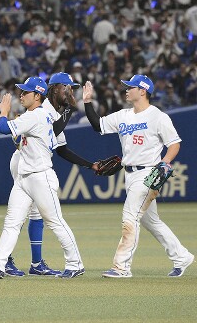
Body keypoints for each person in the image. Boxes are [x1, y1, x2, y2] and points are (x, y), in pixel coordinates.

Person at [0, 77, 85, 279]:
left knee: (55, 221)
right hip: (25, 177)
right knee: (12, 222)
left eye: (26, 92)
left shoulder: (37, 115)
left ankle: (75, 263)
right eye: (21, 92)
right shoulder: (35, 115)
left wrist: (4, 112)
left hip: (41, 176)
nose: (21, 95)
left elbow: (4, 128)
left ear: (38, 95)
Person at [83, 75, 194, 278]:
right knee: (152, 221)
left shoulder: (158, 116)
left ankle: (122, 267)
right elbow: (98, 125)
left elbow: (174, 143)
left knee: (130, 216)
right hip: (130, 174)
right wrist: (87, 101)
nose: (126, 90)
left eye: (130, 87)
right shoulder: (123, 115)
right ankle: (182, 256)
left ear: (142, 90)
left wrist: (164, 162)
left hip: (148, 173)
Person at [5, 72, 100, 277]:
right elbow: (54, 129)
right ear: (56, 88)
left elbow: (62, 149)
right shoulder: (45, 108)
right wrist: (69, 110)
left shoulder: (56, 111)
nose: (71, 92)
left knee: (37, 215)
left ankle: (36, 263)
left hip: (34, 164)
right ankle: (7, 259)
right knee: (20, 214)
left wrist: (89, 165)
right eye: (68, 88)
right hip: (23, 161)